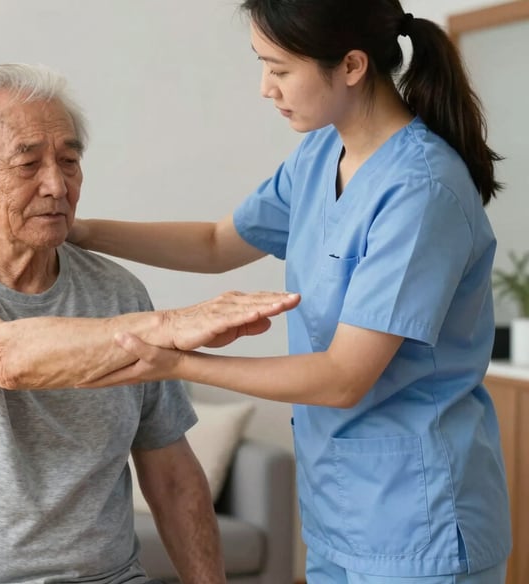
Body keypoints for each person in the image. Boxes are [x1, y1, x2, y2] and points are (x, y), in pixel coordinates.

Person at [68, 1, 512, 583]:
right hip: (338, 514)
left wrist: (178, 363)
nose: (265, 87)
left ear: (351, 65)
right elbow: (216, 243)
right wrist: (81, 232)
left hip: (419, 519)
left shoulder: (420, 190)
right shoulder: (320, 154)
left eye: (279, 69)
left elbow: (344, 377)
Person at [0, 63, 300, 584]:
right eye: (28, 164)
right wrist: (169, 325)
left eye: (69, 161)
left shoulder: (117, 292)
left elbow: (171, 473)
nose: (56, 184)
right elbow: (0, 357)